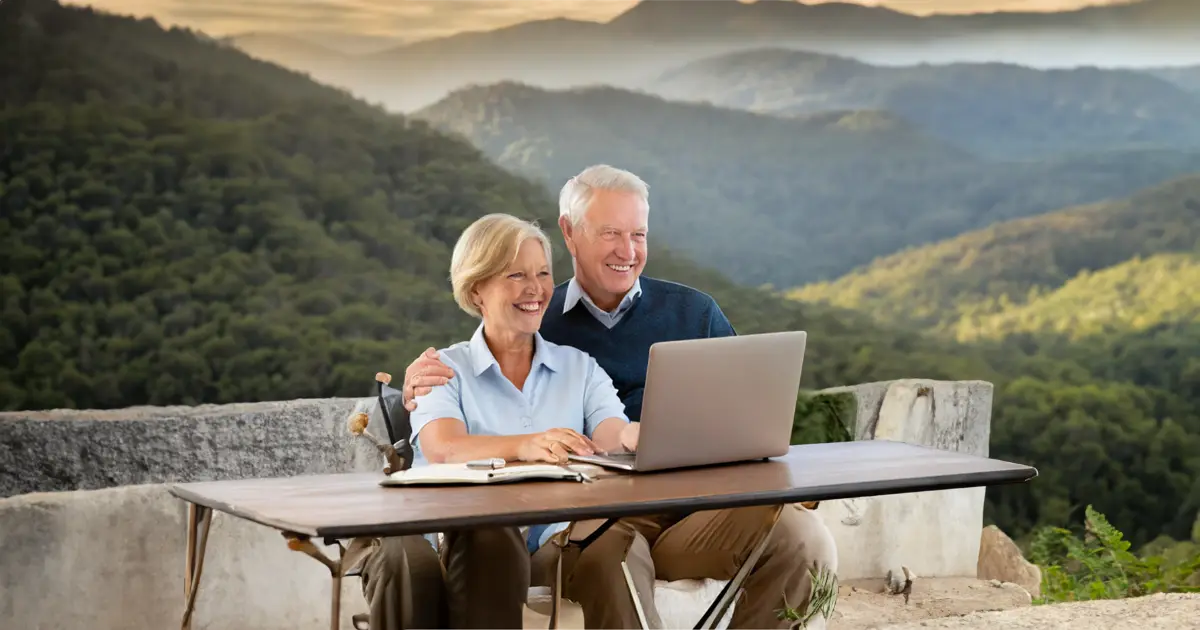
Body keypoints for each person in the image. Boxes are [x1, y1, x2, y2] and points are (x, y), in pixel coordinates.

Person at [398, 164, 840, 629]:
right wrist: (418, 380)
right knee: (613, 550)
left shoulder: (694, 313)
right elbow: (474, 363)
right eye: (610, 233)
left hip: (698, 507)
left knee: (801, 537)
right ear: (569, 233)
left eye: (638, 234)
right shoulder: (537, 321)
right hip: (606, 518)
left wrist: (668, 438)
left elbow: (736, 417)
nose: (627, 251)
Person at [356, 212, 640, 630]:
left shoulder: (580, 368)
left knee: (614, 549)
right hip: (457, 539)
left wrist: (644, 434)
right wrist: (525, 444)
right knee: (485, 537)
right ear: (476, 290)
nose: (536, 289)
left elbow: (611, 435)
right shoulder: (442, 369)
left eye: (543, 273)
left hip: (549, 542)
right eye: (516, 275)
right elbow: (445, 448)